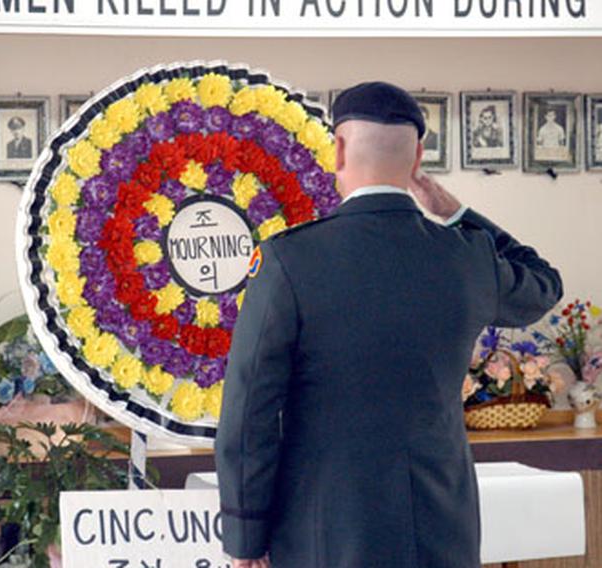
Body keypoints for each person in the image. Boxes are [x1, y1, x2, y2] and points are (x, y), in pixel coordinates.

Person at [215, 81, 562, 568]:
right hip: (441, 528)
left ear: (337, 149)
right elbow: (545, 284)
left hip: (325, 531)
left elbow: (249, 414)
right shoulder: (465, 258)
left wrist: (245, 539)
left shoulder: (290, 260)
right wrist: (456, 213)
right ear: (419, 157)